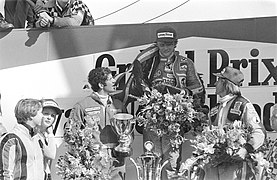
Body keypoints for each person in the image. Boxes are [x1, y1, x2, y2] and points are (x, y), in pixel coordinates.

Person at [129, 26, 204, 179]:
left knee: (172, 161)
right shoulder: (147, 62)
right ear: (156, 44)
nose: (165, 48)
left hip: (175, 121)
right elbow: (136, 85)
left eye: (169, 44)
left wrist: (182, 93)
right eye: (162, 44)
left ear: (176, 44)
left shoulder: (185, 63)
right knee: (151, 159)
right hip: (152, 119)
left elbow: (198, 88)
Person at [204, 66, 266, 180]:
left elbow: (259, 132)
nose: (215, 83)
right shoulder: (214, 109)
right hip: (214, 164)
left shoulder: (243, 104)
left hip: (234, 165)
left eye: (218, 80)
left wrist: (246, 149)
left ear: (225, 84)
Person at [68, 67, 128, 180]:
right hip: (95, 160)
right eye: (110, 79)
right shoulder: (82, 105)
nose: (114, 81)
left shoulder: (119, 105)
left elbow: (127, 132)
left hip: (117, 160)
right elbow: (72, 134)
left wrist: (126, 141)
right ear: (101, 85)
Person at [0, 98, 44, 179]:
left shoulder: (37, 138)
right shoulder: (11, 139)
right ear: (31, 115)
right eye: (40, 113)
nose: (43, 116)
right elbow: (6, 173)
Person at [35, 99, 62, 180]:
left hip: (46, 175)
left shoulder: (46, 134)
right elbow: (51, 154)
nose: (49, 118)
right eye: (46, 114)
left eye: (53, 115)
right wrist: (51, 134)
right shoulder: (35, 134)